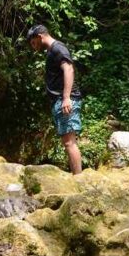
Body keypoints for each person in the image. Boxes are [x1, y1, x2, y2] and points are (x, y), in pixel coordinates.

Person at [27, 25, 83, 175]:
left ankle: (79, 180)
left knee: (69, 142)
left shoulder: (58, 48)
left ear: (39, 37)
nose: (33, 47)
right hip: (59, 100)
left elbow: (69, 69)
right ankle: (76, 177)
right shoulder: (52, 50)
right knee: (67, 142)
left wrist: (66, 98)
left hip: (65, 99)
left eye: (33, 43)